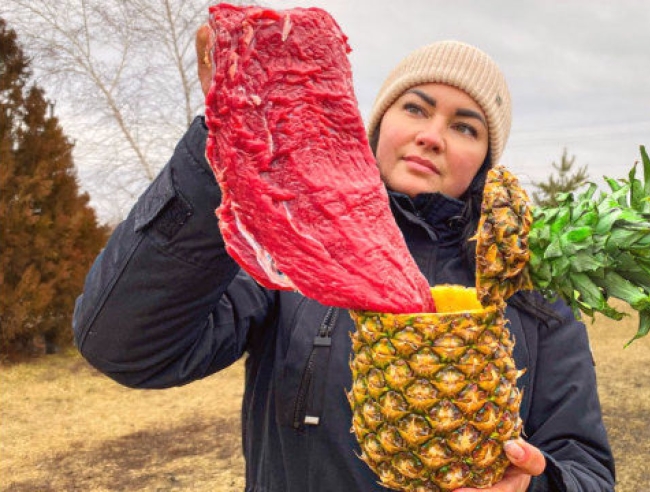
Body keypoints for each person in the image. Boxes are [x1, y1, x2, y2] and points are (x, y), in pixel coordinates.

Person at [73, 20, 616, 491]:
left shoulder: (530, 294)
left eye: (464, 126)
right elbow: (129, 349)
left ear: (485, 160)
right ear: (377, 124)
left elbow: (587, 469)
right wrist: (224, 157)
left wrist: (535, 485)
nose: (431, 136)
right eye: (415, 108)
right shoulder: (295, 251)